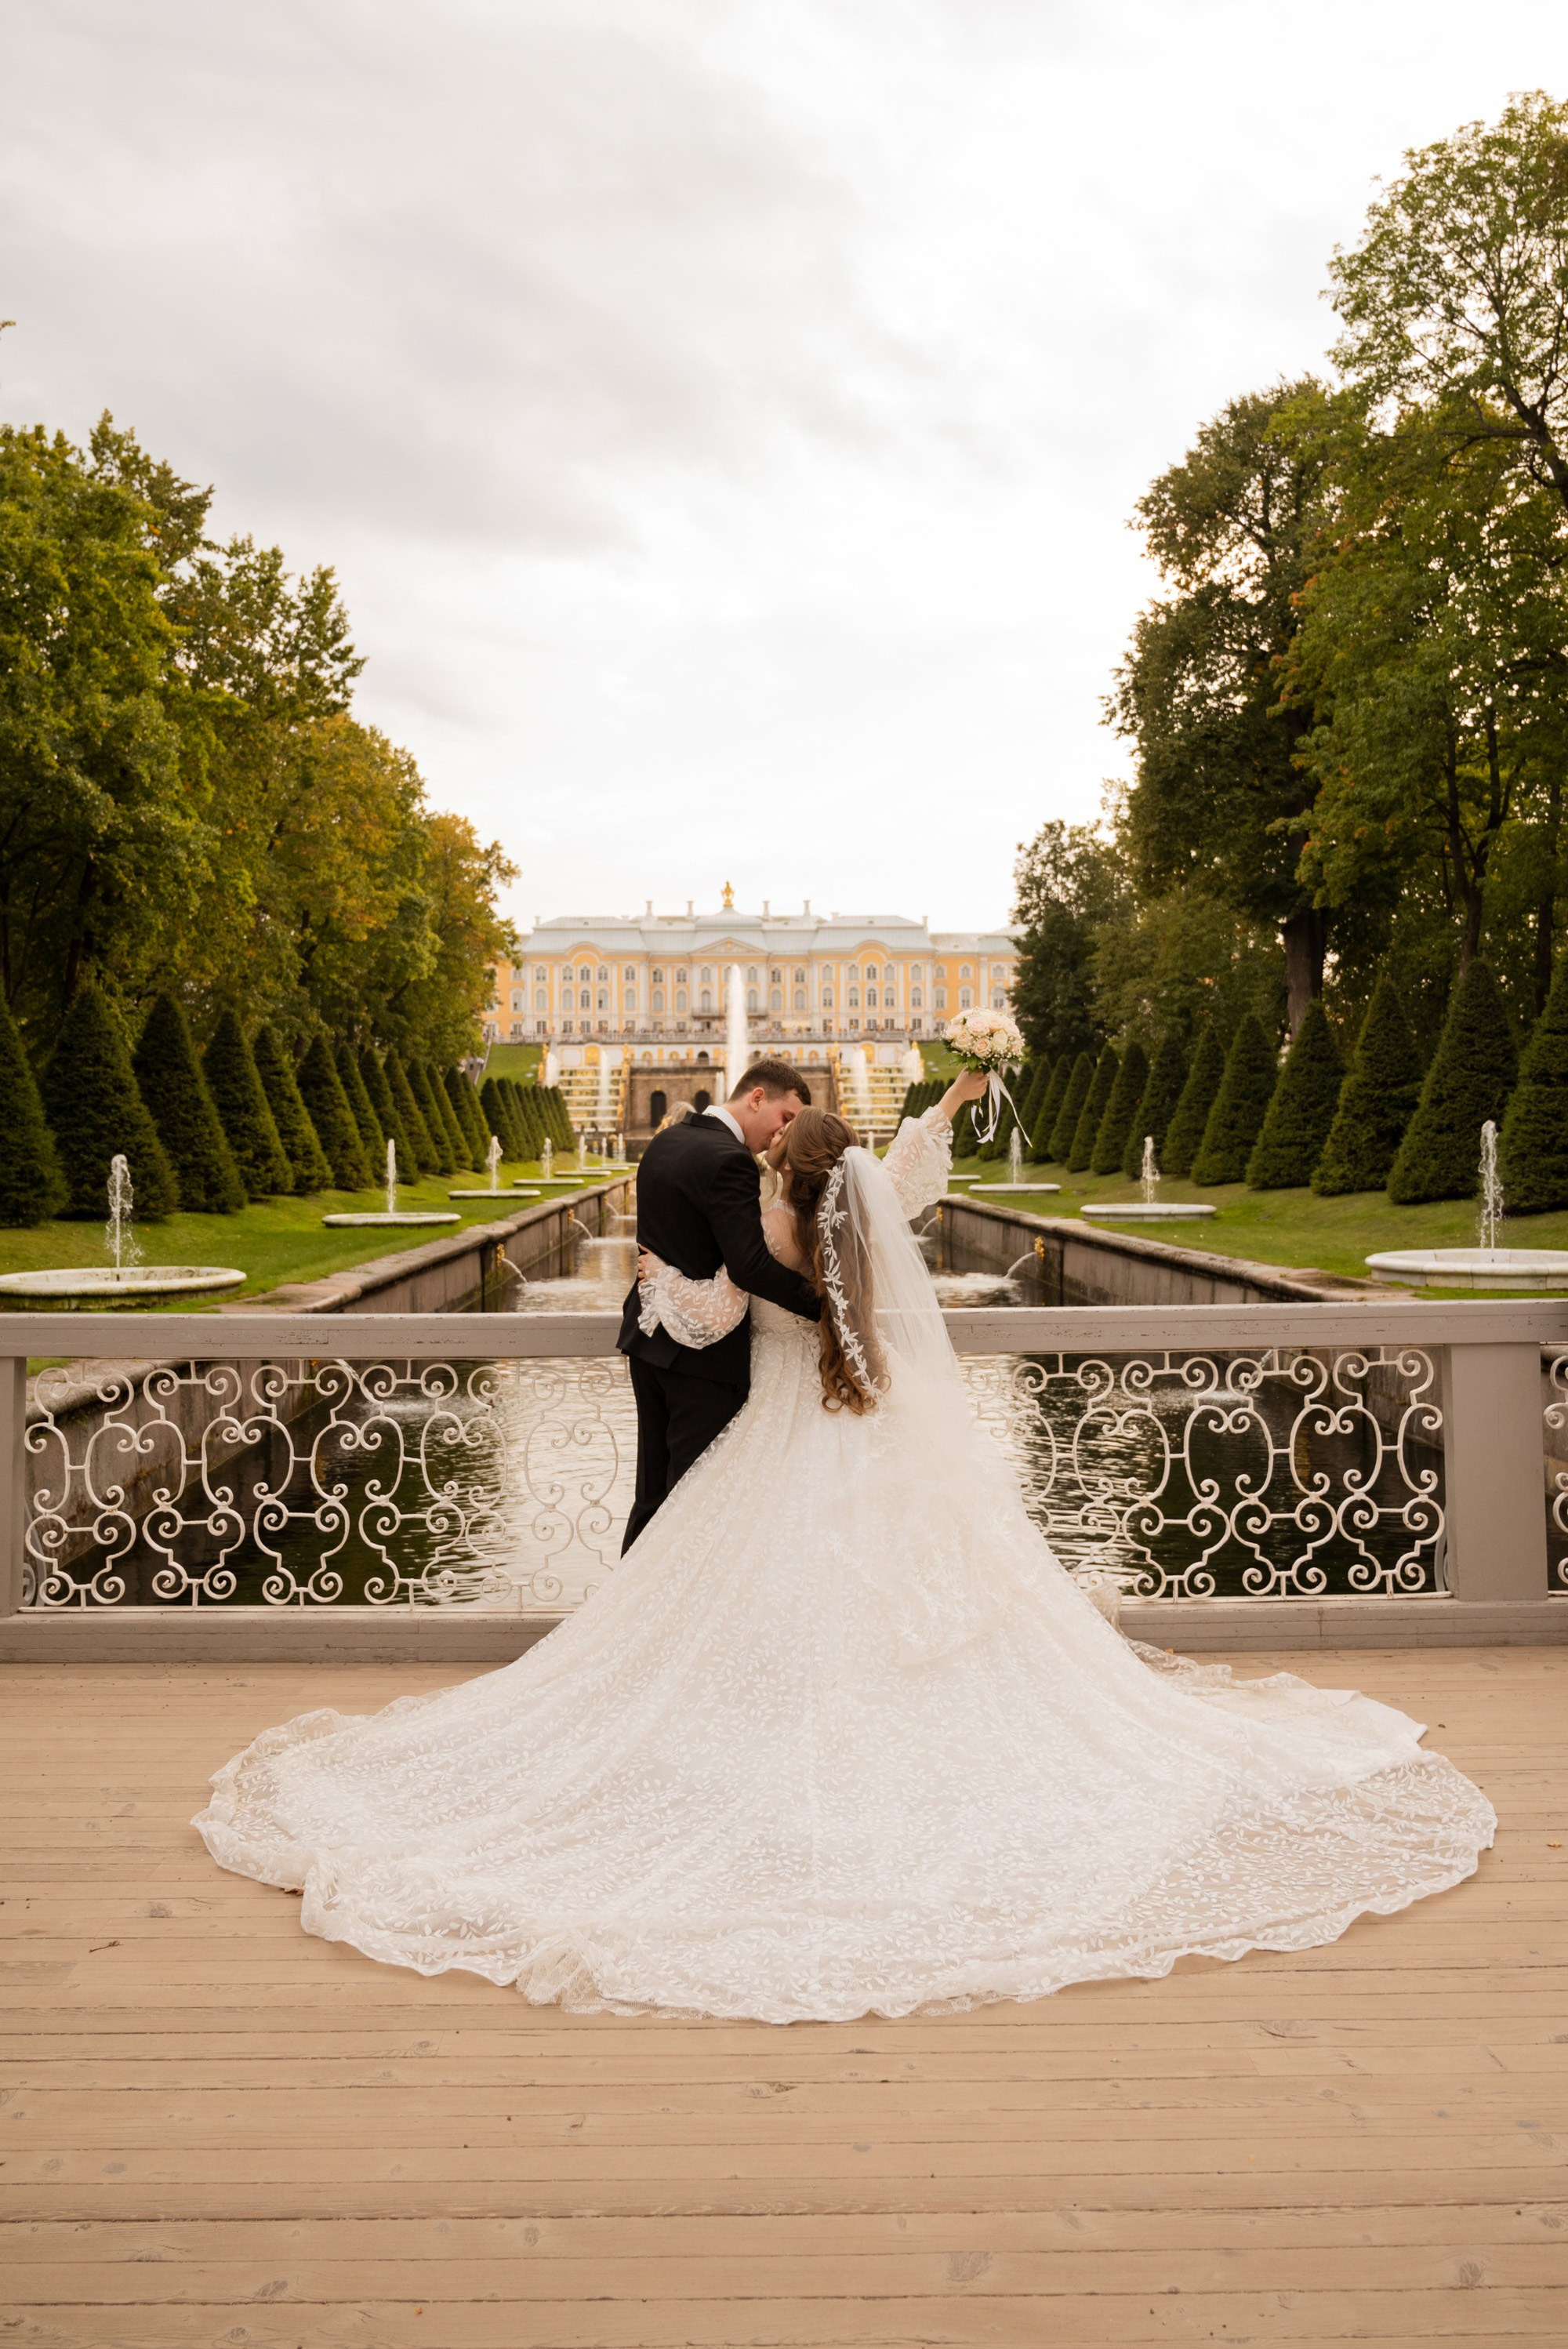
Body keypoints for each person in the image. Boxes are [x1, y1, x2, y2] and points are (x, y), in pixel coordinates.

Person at [194, 1076, 1494, 2023]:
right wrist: (944, 1111)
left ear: (779, 1161)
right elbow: (904, 1190)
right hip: (866, 1434)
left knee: (737, 1595)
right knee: (905, 1604)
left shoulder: (767, 1238)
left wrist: (652, 1272)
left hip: (774, 1440)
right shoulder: (859, 1241)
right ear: (844, 1169)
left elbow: (709, 1320)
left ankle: (749, 1745)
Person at [617, 1058, 820, 1553]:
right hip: (703, 1359)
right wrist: (824, 1304)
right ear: (756, 1098)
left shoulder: (666, 1140)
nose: (785, 1132)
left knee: (651, 1494)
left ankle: (628, 1611)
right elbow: (748, 1266)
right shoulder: (731, 1161)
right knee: (692, 1500)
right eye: (785, 1117)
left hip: (648, 1343)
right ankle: (665, 1619)